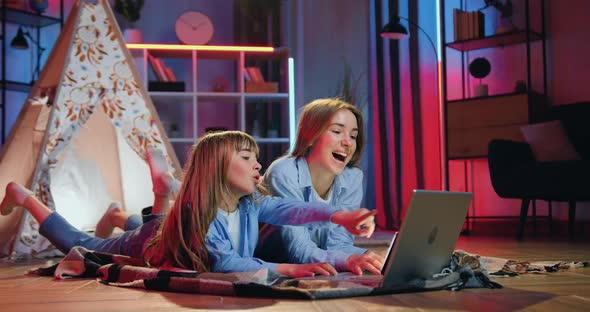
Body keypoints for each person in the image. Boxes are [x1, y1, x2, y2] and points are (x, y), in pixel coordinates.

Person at [0, 131, 376, 278]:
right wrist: (288, 269)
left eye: (256, 158)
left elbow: (287, 210)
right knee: (87, 244)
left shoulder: (247, 203)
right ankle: (24, 197)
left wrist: (338, 214)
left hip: (165, 226)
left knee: (156, 219)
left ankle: (121, 211)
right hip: (148, 243)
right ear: (216, 167)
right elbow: (226, 262)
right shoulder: (200, 212)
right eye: (246, 158)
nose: (258, 164)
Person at [257, 98, 384, 275]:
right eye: (337, 131)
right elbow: (298, 251)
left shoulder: (352, 178)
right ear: (310, 136)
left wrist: (371, 257)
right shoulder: (284, 172)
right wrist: (347, 260)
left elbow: (339, 243)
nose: (347, 142)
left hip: (312, 262)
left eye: (353, 136)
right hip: (271, 264)